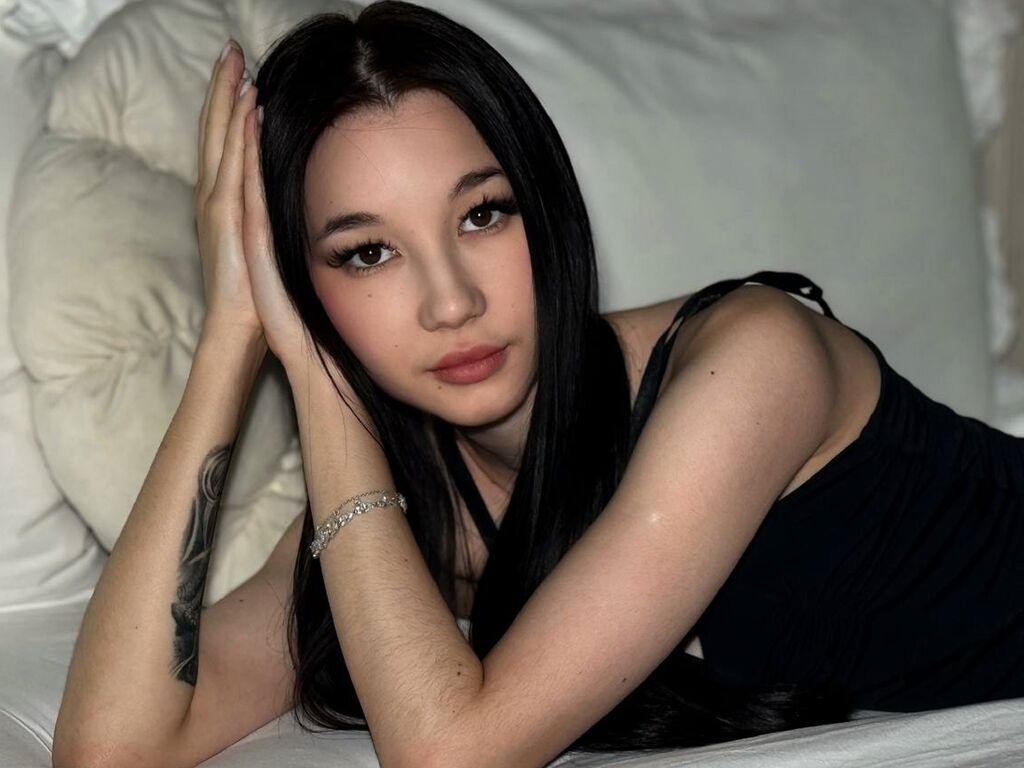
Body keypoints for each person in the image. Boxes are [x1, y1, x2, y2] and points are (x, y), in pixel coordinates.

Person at [52, 2, 1024, 766]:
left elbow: (451, 754)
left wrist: (317, 377)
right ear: (301, 285)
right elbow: (110, 749)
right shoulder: (399, 510)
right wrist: (234, 333)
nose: (451, 301)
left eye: (482, 214)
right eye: (367, 253)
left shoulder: (754, 362)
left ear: (546, 207)